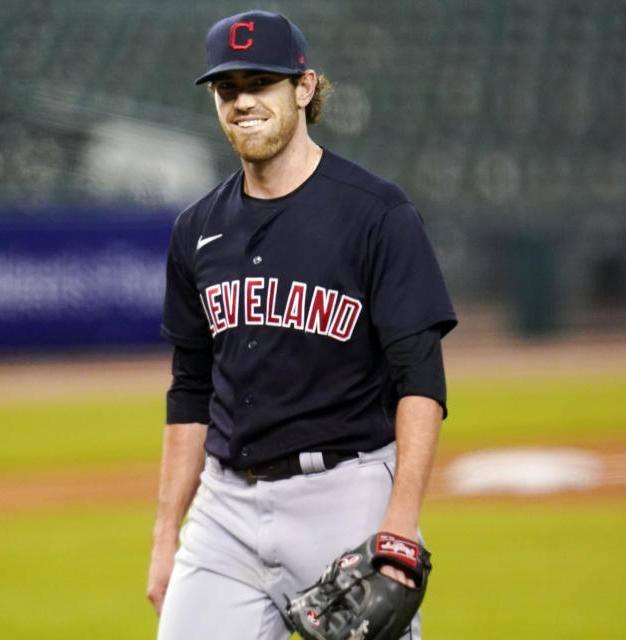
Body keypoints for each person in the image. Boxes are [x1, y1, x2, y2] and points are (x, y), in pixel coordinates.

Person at [146, 10, 457, 640]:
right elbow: (190, 388)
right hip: (224, 512)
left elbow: (419, 379)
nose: (243, 102)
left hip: (347, 500)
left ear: (304, 88)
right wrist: (164, 536)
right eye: (227, 89)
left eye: (260, 82)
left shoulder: (377, 214)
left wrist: (398, 525)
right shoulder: (195, 228)